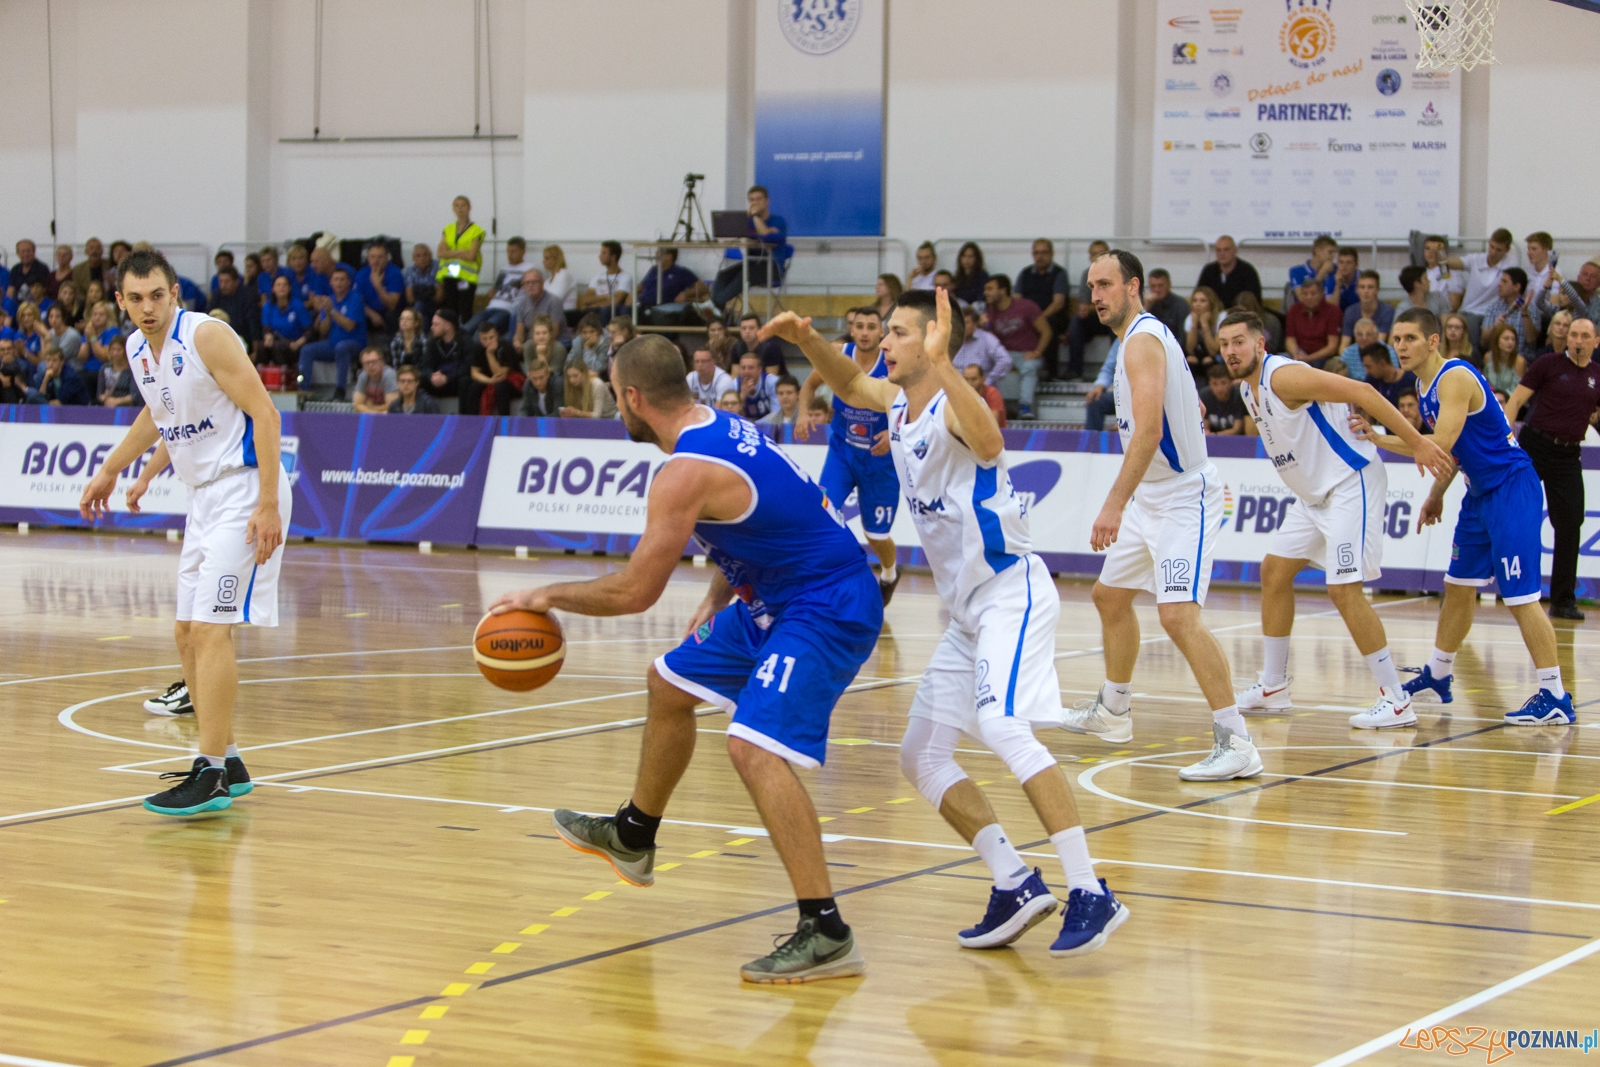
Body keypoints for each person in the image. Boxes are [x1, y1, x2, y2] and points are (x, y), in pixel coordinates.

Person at [493, 335, 881, 982]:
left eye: (615, 396)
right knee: (668, 682)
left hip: (824, 603)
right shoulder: (718, 425)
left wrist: (545, 592)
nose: (617, 407)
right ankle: (634, 834)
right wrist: (717, 590)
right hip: (774, 595)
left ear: (634, 398)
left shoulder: (683, 471)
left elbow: (634, 591)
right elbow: (764, 518)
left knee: (753, 747)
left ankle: (826, 929)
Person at [766, 286, 1128, 958]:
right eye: (890, 333)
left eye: (900, 333)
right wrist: (805, 340)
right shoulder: (896, 402)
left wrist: (949, 365)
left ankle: (1089, 888)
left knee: (1000, 725)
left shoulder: (953, 406)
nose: (887, 344)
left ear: (933, 341)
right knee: (920, 753)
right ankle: (1014, 881)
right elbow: (848, 381)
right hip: (967, 612)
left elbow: (989, 442)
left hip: (1010, 592)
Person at [79, 248, 290, 816]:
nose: (148, 308)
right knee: (184, 633)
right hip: (204, 499)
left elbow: (266, 416)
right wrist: (115, 470)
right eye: (136, 298)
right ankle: (231, 759)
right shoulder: (138, 349)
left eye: (157, 296)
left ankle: (211, 773)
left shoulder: (206, 337)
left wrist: (268, 503)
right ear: (121, 301)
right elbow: (159, 416)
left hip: (245, 488)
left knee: (209, 630)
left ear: (175, 294)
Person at [1065, 250, 1255, 781]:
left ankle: (1236, 739)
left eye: (1105, 285)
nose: (1095, 295)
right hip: (1152, 497)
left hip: (1180, 498)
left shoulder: (1142, 340)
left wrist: (1112, 504)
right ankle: (1114, 710)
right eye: (1090, 287)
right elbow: (1176, 400)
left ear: (1133, 286)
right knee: (1109, 596)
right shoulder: (1145, 339)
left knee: (1177, 617)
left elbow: (1148, 433)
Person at [1219, 310, 1453, 730]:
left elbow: (1362, 389)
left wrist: (1417, 442)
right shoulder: (1246, 391)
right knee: (1273, 572)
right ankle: (1273, 686)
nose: (1230, 351)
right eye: (1224, 344)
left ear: (1260, 344)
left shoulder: (1283, 377)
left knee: (1343, 590)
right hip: (1312, 497)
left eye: (1239, 341)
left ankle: (1396, 700)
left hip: (1349, 482)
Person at [1353, 307, 1572, 726]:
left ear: (1433, 341)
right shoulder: (1422, 386)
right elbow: (1450, 454)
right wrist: (1436, 495)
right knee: (1457, 586)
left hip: (1510, 487)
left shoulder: (1454, 376)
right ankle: (1438, 672)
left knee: (1521, 596)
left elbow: (1437, 442)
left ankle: (1555, 694)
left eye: (1410, 338)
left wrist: (1380, 438)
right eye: (1396, 339)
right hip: (1478, 491)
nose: (1400, 346)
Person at [796, 306, 901, 602]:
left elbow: (915, 404)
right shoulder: (839, 354)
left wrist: (895, 435)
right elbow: (809, 384)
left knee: (876, 535)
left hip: (879, 460)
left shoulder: (893, 361)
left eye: (872, 327)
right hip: (842, 452)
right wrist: (803, 413)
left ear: (882, 332)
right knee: (822, 513)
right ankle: (819, 583)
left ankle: (890, 573)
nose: (865, 332)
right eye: (860, 326)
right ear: (852, 329)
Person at [1501, 317, 1600, 620]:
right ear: (1566, 339)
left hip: (1569, 455)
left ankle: (1563, 601)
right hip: (1534, 447)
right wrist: (1505, 439)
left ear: (1596, 342)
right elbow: (1516, 400)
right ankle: (1474, 581)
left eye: (1585, 336)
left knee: (1570, 524)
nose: (1578, 341)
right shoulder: (1548, 364)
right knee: (1510, 516)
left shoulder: (1597, 375)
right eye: (1573, 335)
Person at [710, 185, 791, 313]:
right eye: (751, 200)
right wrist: (743, 218)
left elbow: (766, 235)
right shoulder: (748, 220)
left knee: (746, 274)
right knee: (723, 275)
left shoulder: (778, 221)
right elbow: (730, 234)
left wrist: (755, 217)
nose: (755, 203)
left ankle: (712, 305)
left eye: (758, 199)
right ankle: (718, 313)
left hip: (772, 268)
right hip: (751, 264)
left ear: (767, 202)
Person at [983, 276, 1049, 420]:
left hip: (1026, 353)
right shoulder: (990, 311)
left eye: (989, 289)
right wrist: (984, 325)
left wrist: (1038, 352)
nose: (985, 292)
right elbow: (989, 340)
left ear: (1003, 290)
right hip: (1003, 353)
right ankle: (994, 406)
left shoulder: (1026, 307)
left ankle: (1025, 407)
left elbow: (1046, 331)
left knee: (1029, 366)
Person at [298, 266, 364, 401]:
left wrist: (332, 311)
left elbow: (350, 326)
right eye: (336, 280)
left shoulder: (355, 298)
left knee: (342, 347)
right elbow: (323, 331)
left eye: (342, 280)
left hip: (355, 343)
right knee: (307, 350)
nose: (339, 283)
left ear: (348, 282)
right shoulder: (330, 300)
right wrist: (327, 314)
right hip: (332, 343)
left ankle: (340, 390)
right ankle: (303, 391)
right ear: (331, 283)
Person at [1019, 239, 1073, 380]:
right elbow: (1017, 299)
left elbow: (1058, 303)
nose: (1040, 256)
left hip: (1052, 315)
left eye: (1044, 252)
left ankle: (1051, 372)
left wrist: (1039, 318)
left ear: (1052, 254)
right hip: (1029, 317)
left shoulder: (1059, 273)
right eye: (1036, 253)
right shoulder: (1025, 274)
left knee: (1049, 323)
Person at [1445, 228, 1518, 317]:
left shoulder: (1511, 266)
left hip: (1493, 314)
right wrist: (1440, 256)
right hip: (1469, 310)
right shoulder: (1476, 259)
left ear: (1507, 250)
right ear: (1489, 242)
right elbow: (1456, 263)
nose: (1493, 252)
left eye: (1498, 250)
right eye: (1491, 247)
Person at [436, 195, 486, 320]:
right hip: (450, 274)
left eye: (463, 205)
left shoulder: (476, 230)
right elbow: (440, 253)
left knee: (465, 310)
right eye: (457, 205)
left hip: (466, 277)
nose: (460, 208)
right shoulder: (448, 229)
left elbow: (471, 255)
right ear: (453, 209)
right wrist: (460, 251)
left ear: (469, 208)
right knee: (450, 309)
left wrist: (451, 252)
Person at [1479, 268, 1540, 360]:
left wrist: (1524, 313)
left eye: (1504, 282)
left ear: (1517, 287)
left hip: (1522, 359)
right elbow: (1484, 342)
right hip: (1497, 360)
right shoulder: (1493, 308)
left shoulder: (1532, 309)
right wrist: (1494, 327)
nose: (1499, 285)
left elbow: (1532, 340)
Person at [465, 322, 522, 416]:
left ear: (497, 335)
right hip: (492, 380)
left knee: (500, 386)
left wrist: (490, 354)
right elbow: (474, 373)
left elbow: (500, 374)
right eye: (484, 339)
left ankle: (504, 422)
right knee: (473, 388)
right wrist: (489, 381)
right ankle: (471, 423)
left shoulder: (505, 346)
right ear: (480, 339)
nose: (488, 342)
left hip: (513, 382)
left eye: (491, 337)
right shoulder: (478, 348)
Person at [1283, 276, 1342, 367]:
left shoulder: (1333, 311)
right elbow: (1290, 339)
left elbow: (1332, 347)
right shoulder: (1294, 310)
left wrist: (1309, 358)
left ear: (1322, 293)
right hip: (1300, 354)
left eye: (1313, 293)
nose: (1309, 297)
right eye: (1305, 294)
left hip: (1321, 357)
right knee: (1281, 358)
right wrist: (1296, 355)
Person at [260, 274, 313, 368]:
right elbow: (266, 328)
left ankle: (284, 377)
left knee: (277, 347)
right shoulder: (268, 306)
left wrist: (298, 343)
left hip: (294, 343)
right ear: (273, 289)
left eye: (285, 285)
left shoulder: (298, 305)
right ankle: (260, 376)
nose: (281, 288)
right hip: (277, 340)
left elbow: (308, 331)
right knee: (262, 347)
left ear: (289, 288)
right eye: (278, 285)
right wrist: (268, 336)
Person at [1194, 235, 1261, 308]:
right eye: (1218, 250)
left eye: (1226, 249)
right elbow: (1199, 294)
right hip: (1213, 315)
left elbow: (1253, 301)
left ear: (1235, 251)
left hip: (1239, 315)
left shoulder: (1247, 271)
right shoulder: (1209, 271)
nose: (1222, 253)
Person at [355, 242, 405, 339]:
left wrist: (378, 286)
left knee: (391, 315)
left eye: (380, 257)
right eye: (372, 257)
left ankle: (392, 345)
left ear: (387, 258)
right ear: (368, 259)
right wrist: (371, 314)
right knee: (357, 312)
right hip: (370, 311)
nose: (376, 261)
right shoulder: (362, 273)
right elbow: (357, 300)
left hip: (391, 310)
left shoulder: (395, 273)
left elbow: (392, 305)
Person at [953, 304, 1012, 386]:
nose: (962, 326)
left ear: (975, 324)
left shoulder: (987, 339)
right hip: (955, 387)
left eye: (966, 323)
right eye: (960, 322)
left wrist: (988, 381)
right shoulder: (952, 341)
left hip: (979, 388)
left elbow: (1005, 360)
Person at [509, 271, 566, 355]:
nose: (530, 285)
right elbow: (519, 332)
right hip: (530, 343)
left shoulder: (554, 301)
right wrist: (517, 342)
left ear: (542, 284)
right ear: (523, 286)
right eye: (527, 283)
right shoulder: (522, 303)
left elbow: (554, 333)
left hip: (554, 342)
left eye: (534, 282)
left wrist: (529, 347)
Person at [576, 241, 632, 321]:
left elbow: (616, 300)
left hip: (610, 311)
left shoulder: (625, 277)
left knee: (604, 310)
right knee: (571, 314)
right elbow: (585, 299)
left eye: (603, 253)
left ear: (613, 256)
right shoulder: (597, 277)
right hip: (595, 310)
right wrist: (606, 296)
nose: (599, 256)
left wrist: (595, 304)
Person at [418, 307, 466, 400]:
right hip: (436, 380)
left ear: (447, 326)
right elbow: (425, 365)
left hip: (455, 381)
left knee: (466, 380)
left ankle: (465, 414)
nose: (431, 327)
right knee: (419, 379)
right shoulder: (432, 341)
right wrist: (431, 375)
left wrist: (447, 378)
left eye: (436, 324)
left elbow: (467, 367)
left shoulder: (464, 341)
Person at [1538, 258, 1600, 327]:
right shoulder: (1559, 308)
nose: (1588, 279)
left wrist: (1560, 279)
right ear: (1578, 277)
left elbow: (1575, 298)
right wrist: (1545, 287)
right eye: (1585, 274)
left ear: (1599, 283)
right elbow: (1540, 303)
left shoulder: (1582, 308)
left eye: (1593, 276)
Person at [206, 267, 258, 349]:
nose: (223, 285)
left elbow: (253, 323)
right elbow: (208, 317)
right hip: (219, 338)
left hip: (242, 339)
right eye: (221, 281)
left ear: (236, 282)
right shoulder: (216, 295)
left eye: (227, 282)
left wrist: (256, 349)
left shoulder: (247, 296)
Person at [1340, 271, 1395, 348]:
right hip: (1355, 354)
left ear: (1377, 290)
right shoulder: (1350, 311)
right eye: (1362, 287)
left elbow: (1379, 343)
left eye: (1370, 287)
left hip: (1378, 354)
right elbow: (1344, 344)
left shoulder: (1387, 311)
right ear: (1357, 290)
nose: (1366, 291)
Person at [1182, 286, 1224, 381]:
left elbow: (1213, 350)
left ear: (1211, 303)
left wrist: (1205, 325)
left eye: (1202, 301)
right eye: (1195, 301)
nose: (1197, 304)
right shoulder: (1190, 318)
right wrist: (1194, 324)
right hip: (1200, 354)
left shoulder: (1221, 317)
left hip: (1219, 355)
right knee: (1190, 360)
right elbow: (1190, 349)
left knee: (1208, 361)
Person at [25, 346, 89, 405]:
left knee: (33, 398)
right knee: (32, 396)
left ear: (62, 362)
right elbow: (41, 396)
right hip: (60, 409)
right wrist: (45, 379)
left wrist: (41, 403)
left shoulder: (71, 377)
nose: (50, 364)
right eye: (48, 360)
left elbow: (60, 402)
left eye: (54, 360)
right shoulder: (47, 374)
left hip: (77, 410)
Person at [730, 312, 787, 377]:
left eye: (751, 328)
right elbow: (735, 377)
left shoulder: (770, 348)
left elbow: (771, 379)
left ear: (759, 329)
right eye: (743, 328)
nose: (747, 331)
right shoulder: (737, 348)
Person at [1361, 343, 1416, 409]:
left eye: (1368, 366)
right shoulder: (1371, 380)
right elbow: (1368, 409)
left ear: (1382, 363)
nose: (1367, 371)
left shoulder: (1411, 380)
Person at [1143, 268, 1190, 340]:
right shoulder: (1147, 304)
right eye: (1153, 286)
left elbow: (1183, 338)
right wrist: (1145, 309)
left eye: (1160, 286)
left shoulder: (1180, 305)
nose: (1157, 290)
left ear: (1169, 285)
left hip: (1173, 347)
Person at [1478, 323, 1525, 396]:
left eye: (1513, 339)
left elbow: (1517, 391)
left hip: (1510, 401)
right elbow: (1485, 383)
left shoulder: (1519, 361)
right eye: (1506, 339)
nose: (1510, 342)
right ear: (1497, 340)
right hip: (1492, 398)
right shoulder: (1488, 357)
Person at [1200, 363, 1246, 434]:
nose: (1219, 388)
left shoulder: (1238, 395)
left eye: (1223, 383)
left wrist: (1216, 436)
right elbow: (1205, 429)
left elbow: (1237, 429)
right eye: (1214, 384)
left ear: (1231, 382)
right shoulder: (1204, 396)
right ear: (1209, 384)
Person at [352, 345, 399, 414]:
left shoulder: (389, 375)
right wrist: (374, 413)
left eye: (374, 362)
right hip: (374, 413)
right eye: (367, 363)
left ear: (382, 362)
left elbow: (392, 406)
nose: (370, 366)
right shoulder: (363, 376)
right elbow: (357, 405)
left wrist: (372, 408)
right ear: (363, 366)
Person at [1423, 235, 1464, 313]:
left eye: (1435, 249)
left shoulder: (1451, 271)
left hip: (1442, 315)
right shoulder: (1422, 272)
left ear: (1443, 251)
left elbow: (1454, 305)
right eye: (1427, 248)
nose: (1431, 252)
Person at [96, 336, 141, 409]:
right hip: (108, 406)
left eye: (119, 350)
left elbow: (134, 395)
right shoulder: (104, 368)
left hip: (127, 407)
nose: (115, 353)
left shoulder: (132, 369)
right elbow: (99, 394)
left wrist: (117, 401)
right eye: (113, 350)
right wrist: (105, 398)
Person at [735, 351, 780, 422]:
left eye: (750, 368)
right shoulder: (734, 385)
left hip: (769, 428)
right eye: (743, 368)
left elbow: (777, 415)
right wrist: (742, 397)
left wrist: (755, 425)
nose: (746, 372)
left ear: (759, 370)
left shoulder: (772, 382)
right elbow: (730, 416)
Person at [520, 314, 567, 382]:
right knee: (528, 382)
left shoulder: (559, 349)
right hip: (533, 379)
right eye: (537, 333)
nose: (541, 336)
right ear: (533, 335)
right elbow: (528, 371)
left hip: (553, 381)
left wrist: (541, 355)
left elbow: (553, 375)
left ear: (550, 334)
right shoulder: (528, 346)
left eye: (544, 333)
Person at [963, 362, 1007, 428]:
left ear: (983, 379)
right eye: (966, 379)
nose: (969, 383)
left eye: (974, 379)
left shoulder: (992, 393)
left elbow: (993, 422)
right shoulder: (962, 395)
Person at [402, 242, 438, 321]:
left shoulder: (437, 268)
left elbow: (439, 297)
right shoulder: (410, 271)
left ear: (431, 256)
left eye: (425, 255)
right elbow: (410, 298)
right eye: (418, 256)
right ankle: (420, 331)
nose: (422, 258)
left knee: (419, 306)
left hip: (435, 305)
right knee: (420, 310)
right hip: (418, 305)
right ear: (413, 258)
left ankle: (415, 331)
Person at [569, 313, 609, 377]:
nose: (588, 336)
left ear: (598, 331)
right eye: (584, 332)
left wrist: (587, 349)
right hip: (581, 376)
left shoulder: (606, 343)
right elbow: (568, 365)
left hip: (600, 377)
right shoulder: (578, 342)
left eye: (592, 331)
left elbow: (599, 368)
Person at [950, 242, 989, 308]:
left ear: (976, 259)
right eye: (964, 256)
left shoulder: (982, 276)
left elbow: (981, 299)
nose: (967, 260)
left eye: (970, 256)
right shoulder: (956, 277)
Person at [541, 244, 577, 312]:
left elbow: (556, 299)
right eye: (544, 258)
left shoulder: (564, 274)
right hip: (551, 314)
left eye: (547, 258)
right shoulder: (547, 280)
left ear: (557, 259)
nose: (543, 261)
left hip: (565, 314)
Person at [1331, 247, 1361, 311]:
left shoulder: (1364, 279)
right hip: (1339, 318)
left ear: (1356, 265)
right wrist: (1338, 286)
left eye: (1348, 263)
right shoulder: (1331, 279)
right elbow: (1331, 309)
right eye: (1341, 262)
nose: (1344, 266)